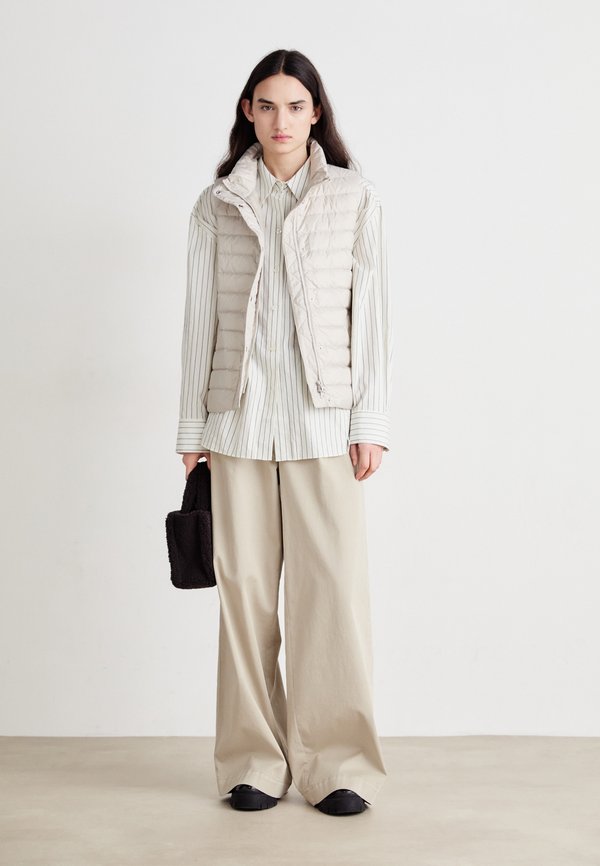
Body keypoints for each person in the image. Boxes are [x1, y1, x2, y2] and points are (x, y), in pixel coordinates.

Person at [175, 48, 393, 816]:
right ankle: (253, 764)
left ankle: (338, 766)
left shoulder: (353, 198)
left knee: (331, 594)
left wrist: (370, 421)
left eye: (295, 106)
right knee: (244, 599)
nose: (280, 120)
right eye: (266, 105)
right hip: (236, 425)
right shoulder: (217, 203)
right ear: (248, 112)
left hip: (324, 425)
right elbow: (200, 316)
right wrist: (191, 425)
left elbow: (371, 318)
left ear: (315, 113)